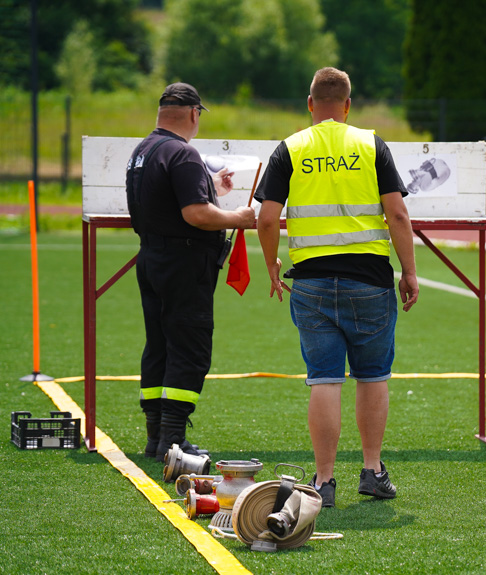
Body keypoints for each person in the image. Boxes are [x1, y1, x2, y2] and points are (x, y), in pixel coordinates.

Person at [255, 67, 419, 508]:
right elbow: (399, 216)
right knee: (372, 377)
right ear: (348, 105)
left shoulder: (289, 148)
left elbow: (267, 219)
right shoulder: (371, 144)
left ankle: (324, 483)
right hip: (369, 281)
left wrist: (271, 264)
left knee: (324, 380)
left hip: (310, 283)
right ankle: (371, 470)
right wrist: (409, 271)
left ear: (310, 104)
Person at [126, 83, 256, 462]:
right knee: (189, 347)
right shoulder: (183, 153)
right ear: (194, 114)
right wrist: (239, 217)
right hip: (183, 263)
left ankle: (155, 437)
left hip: (151, 257)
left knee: (160, 345)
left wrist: (211, 186)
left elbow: (170, 199)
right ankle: (173, 441)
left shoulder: (144, 150)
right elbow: (195, 214)